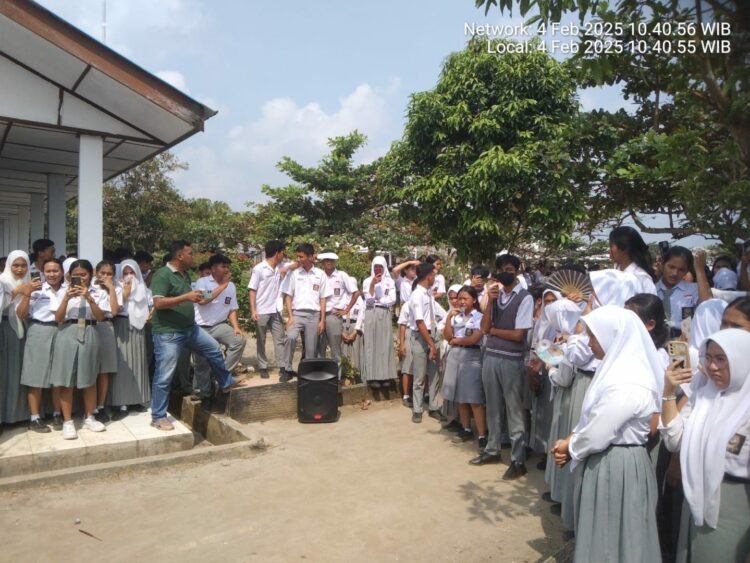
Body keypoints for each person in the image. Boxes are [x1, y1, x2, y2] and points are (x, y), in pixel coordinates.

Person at [553, 306, 663, 563]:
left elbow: (599, 431)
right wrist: (573, 441)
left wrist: (570, 447)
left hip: (618, 465)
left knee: (613, 533)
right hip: (610, 459)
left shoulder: (628, 380)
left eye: (593, 336)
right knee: (606, 532)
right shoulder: (616, 369)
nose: (589, 343)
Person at [660, 329, 750, 563]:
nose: (712, 367)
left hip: (734, 507)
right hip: (696, 499)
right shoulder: (705, 396)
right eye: (708, 358)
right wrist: (668, 393)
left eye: (722, 359)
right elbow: (674, 440)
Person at [149, 241, 248, 431]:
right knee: (164, 375)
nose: (192, 256)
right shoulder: (163, 275)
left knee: (213, 349)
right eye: (190, 253)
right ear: (180, 256)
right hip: (169, 333)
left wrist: (204, 294)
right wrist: (186, 297)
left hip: (189, 329)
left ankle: (226, 382)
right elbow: (159, 303)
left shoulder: (184, 275)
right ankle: (159, 416)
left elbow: (203, 297)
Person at [471, 254, 533, 480]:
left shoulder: (525, 298)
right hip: (492, 356)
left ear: (517, 271)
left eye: (509, 268)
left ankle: (518, 459)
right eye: (501, 269)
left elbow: (518, 335)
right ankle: (492, 449)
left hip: (511, 358)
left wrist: (494, 331)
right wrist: (491, 302)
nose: (505, 272)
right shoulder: (495, 296)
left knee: (514, 410)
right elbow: (485, 325)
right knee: (494, 406)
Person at [50, 260, 109, 439]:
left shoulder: (98, 292)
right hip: (67, 332)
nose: (80, 278)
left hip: (90, 330)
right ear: (69, 275)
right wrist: (66, 298)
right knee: (67, 378)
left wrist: (88, 298)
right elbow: (58, 318)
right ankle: (67, 421)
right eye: (77, 275)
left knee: (89, 377)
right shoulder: (61, 291)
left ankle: (89, 416)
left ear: (90, 274)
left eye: (84, 274)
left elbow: (100, 317)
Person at [192, 253, 246, 411]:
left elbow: (232, 308)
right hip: (200, 328)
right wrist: (223, 285)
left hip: (219, 325)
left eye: (227, 266)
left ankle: (220, 377)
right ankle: (206, 396)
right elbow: (202, 300)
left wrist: (236, 327)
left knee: (239, 341)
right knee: (201, 362)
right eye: (223, 266)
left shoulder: (231, 286)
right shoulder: (203, 282)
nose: (227, 269)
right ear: (214, 268)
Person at [17, 258, 64, 432]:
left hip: (61, 331)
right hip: (39, 331)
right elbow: (21, 314)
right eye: (48, 271)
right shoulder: (36, 290)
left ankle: (57, 413)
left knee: (58, 376)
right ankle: (34, 418)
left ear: (62, 272)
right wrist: (27, 293)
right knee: (35, 376)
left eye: (55, 271)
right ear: (43, 272)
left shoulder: (67, 290)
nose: (52, 274)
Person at [281, 243, 331, 382]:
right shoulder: (294, 274)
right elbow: (288, 296)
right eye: (297, 256)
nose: (299, 259)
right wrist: (290, 317)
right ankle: (287, 369)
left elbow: (323, 298)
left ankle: (307, 375)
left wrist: (322, 321)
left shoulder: (320, 274)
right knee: (290, 337)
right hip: (297, 314)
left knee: (311, 348)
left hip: (313, 315)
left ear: (310, 257)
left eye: (301, 256)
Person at [443, 286, 486, 448]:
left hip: (472, 356)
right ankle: (466, 428)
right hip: (455, 355)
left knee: (474, 397)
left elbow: (474, 339)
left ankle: (482, 434)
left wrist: (456, 340)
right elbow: (447, 337)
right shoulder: (455, 316)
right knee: (460, 395)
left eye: (465, 298)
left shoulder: (479, 317)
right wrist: (448, 319)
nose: (461, 301)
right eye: (459, 298)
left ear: (473, 300)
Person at [109, 259, 151, 417]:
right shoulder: (117, 288)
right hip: (121, 326)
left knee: (138, 363)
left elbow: (150, 304)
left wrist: (151, 313)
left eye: (131, 272)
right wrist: (125, 292)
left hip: (138, 328)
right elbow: (117, 307)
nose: (128, 276)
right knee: (123, 364)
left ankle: (138, 399)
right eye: (125, 273)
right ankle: (122, 403)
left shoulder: (143, 288)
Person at [0, 250, 33, 425]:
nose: (20, 269)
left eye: (23, 265)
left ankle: (20, 415)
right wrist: (17, 291)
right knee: (6, 373)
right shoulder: (2, 281)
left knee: (21, 372)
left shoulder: (30, 282)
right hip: (6, 329)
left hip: (26, 329)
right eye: (16, 265)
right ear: (9, 265)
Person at [248, 239, 288, 380]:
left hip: (275, 310)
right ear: (277, 253)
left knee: (280, 339)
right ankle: (263, 367)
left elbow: (294, 265)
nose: (284, 255)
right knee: (261, 340)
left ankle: (282, 366)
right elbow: (252, 290)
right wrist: (253, 310)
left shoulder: (279, 267)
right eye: (283, 252)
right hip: (261, 310)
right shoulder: (259, 269)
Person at [657, 247, 711, 338]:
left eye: (681, 270)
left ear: (687, 271)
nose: (674, 273)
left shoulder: (693, 289)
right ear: (662, 264)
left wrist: (699, 270)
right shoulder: (651, 289)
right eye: (671, 267)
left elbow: (708, 306)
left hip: (685, 343)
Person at [408, 262, 439, 422]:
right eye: (434, 274)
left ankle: (433, 406)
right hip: (421, 337)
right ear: (428, 276)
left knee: (433, 374)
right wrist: (431, 344)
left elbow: (436, 312)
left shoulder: (427, 293)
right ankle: (417, 409)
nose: (435, 277)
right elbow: (420, 322)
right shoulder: (417, 295)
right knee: (420, 375)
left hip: (431, 335)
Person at [92, 260, 122, 423]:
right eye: (102, 273)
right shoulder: (88, 285)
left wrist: (111, 289)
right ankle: (88, 407)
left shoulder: (116, 288)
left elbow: (115, 310)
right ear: (96, 272)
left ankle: (101, 406)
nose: (105, 276)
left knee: (104, 371)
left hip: (106, 327)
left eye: (109, 274)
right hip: (89, 326)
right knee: (90, 369)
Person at [317, 251, 359, 367]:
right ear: (322, 262)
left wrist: (346, 310)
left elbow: (356, 293)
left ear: (335, 261)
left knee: (335, 350)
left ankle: (337, 379)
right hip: (319, 315)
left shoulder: (342, 275)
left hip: (334, 315)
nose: (329, 262)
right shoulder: (319, 275)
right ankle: (321, 377)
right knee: (319, 349)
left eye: (331, 260)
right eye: (326, 260)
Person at [361, 256, 397, 389]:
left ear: (384, 267)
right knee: (371, 343)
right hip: (371, 312)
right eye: (375, 267)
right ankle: (372, 377)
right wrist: (372, 284)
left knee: (385, 343)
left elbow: (392, 299)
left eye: (380, 267)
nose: (378, 270)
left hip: (384, 312)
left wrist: (380, 300)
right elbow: (369, 300)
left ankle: (385, 376)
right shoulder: (367, 281)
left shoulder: (390, 282)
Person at [609, 226, 658, 294]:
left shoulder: (641, 278)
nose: (609, 250)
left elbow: (652, 303)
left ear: (624, 248)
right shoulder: (615, 272)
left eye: (611, 246)